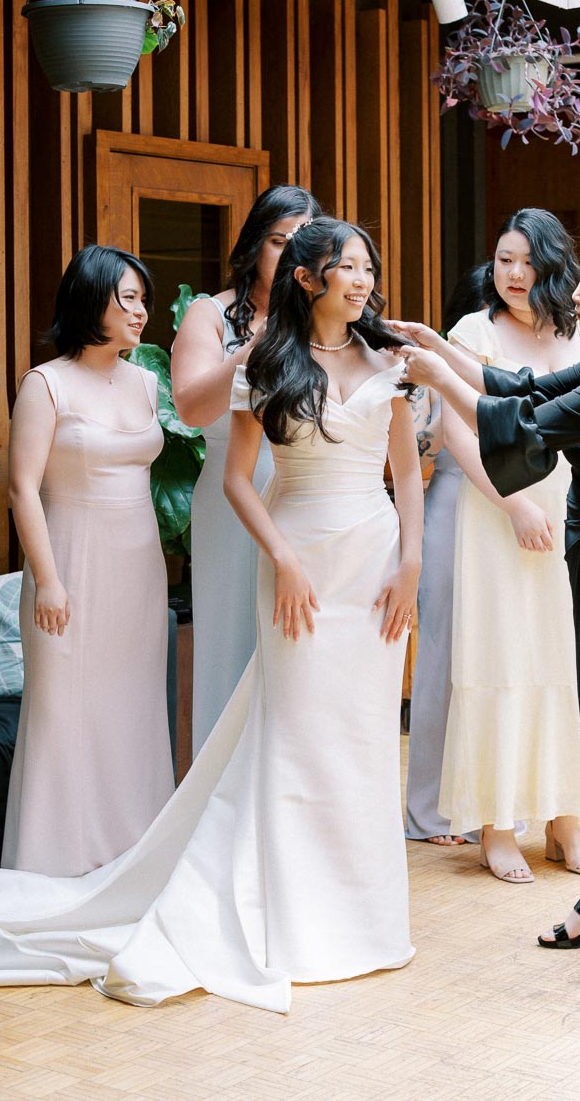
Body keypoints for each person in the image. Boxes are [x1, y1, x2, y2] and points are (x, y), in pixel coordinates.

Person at [0, 217, 422, 1013]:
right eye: (346, 266)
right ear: (308, 277)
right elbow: (212, 476)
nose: (362, 279)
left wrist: (411, 563)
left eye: (369, 265)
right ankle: (232, 903)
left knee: (354, 739)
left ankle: (355, 913)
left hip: (313, 563)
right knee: (282, 734)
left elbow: (406, 468)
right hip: (216, 555)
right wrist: (280, 558)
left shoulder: (378, 364)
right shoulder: (87, 378)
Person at [397, 225, 580, 971]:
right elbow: (517, 385)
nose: (578, 293)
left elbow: (521, 427)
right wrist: (441, 344)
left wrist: (435, 378)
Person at [438, 211, 580, 883]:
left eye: (526, 261)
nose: (512, 274)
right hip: (497, 513)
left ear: (553, 266)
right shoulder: (471, 334)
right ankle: (495, 824)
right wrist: (513, 504)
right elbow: (455, 428)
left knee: (563, 654)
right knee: (499, 650)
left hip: (569, 513)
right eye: (504, 259)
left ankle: (566, 817)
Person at [3, 245, 173, 877]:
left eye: (143, 299)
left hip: (139, 564)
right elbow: (23, 486)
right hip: (68, 558)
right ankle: (56, 866)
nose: (140, 311)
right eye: (126, 297)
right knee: (64, 713)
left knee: (130, 711)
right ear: (88, 300)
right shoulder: (45, 383)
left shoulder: (149, 381)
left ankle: (130, 861)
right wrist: (48, 580)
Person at [172, 185, 321, 756]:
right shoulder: (211, 313)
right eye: (279, 241)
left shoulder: (324, 317)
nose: (288, 256)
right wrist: (252, 347)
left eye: (302, 245)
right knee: (234, 642)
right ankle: (220, 800)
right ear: (256, 244)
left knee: (296, 644)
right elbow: (189, 406)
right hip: (233, 497)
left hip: (307, 491)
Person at [405, 264, 487, 846]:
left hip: (508, 517)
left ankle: (490, 801)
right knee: (438, 663)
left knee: (493, 663)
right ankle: (430, 808)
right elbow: (419, 446)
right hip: (452, 508)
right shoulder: (440, 365)